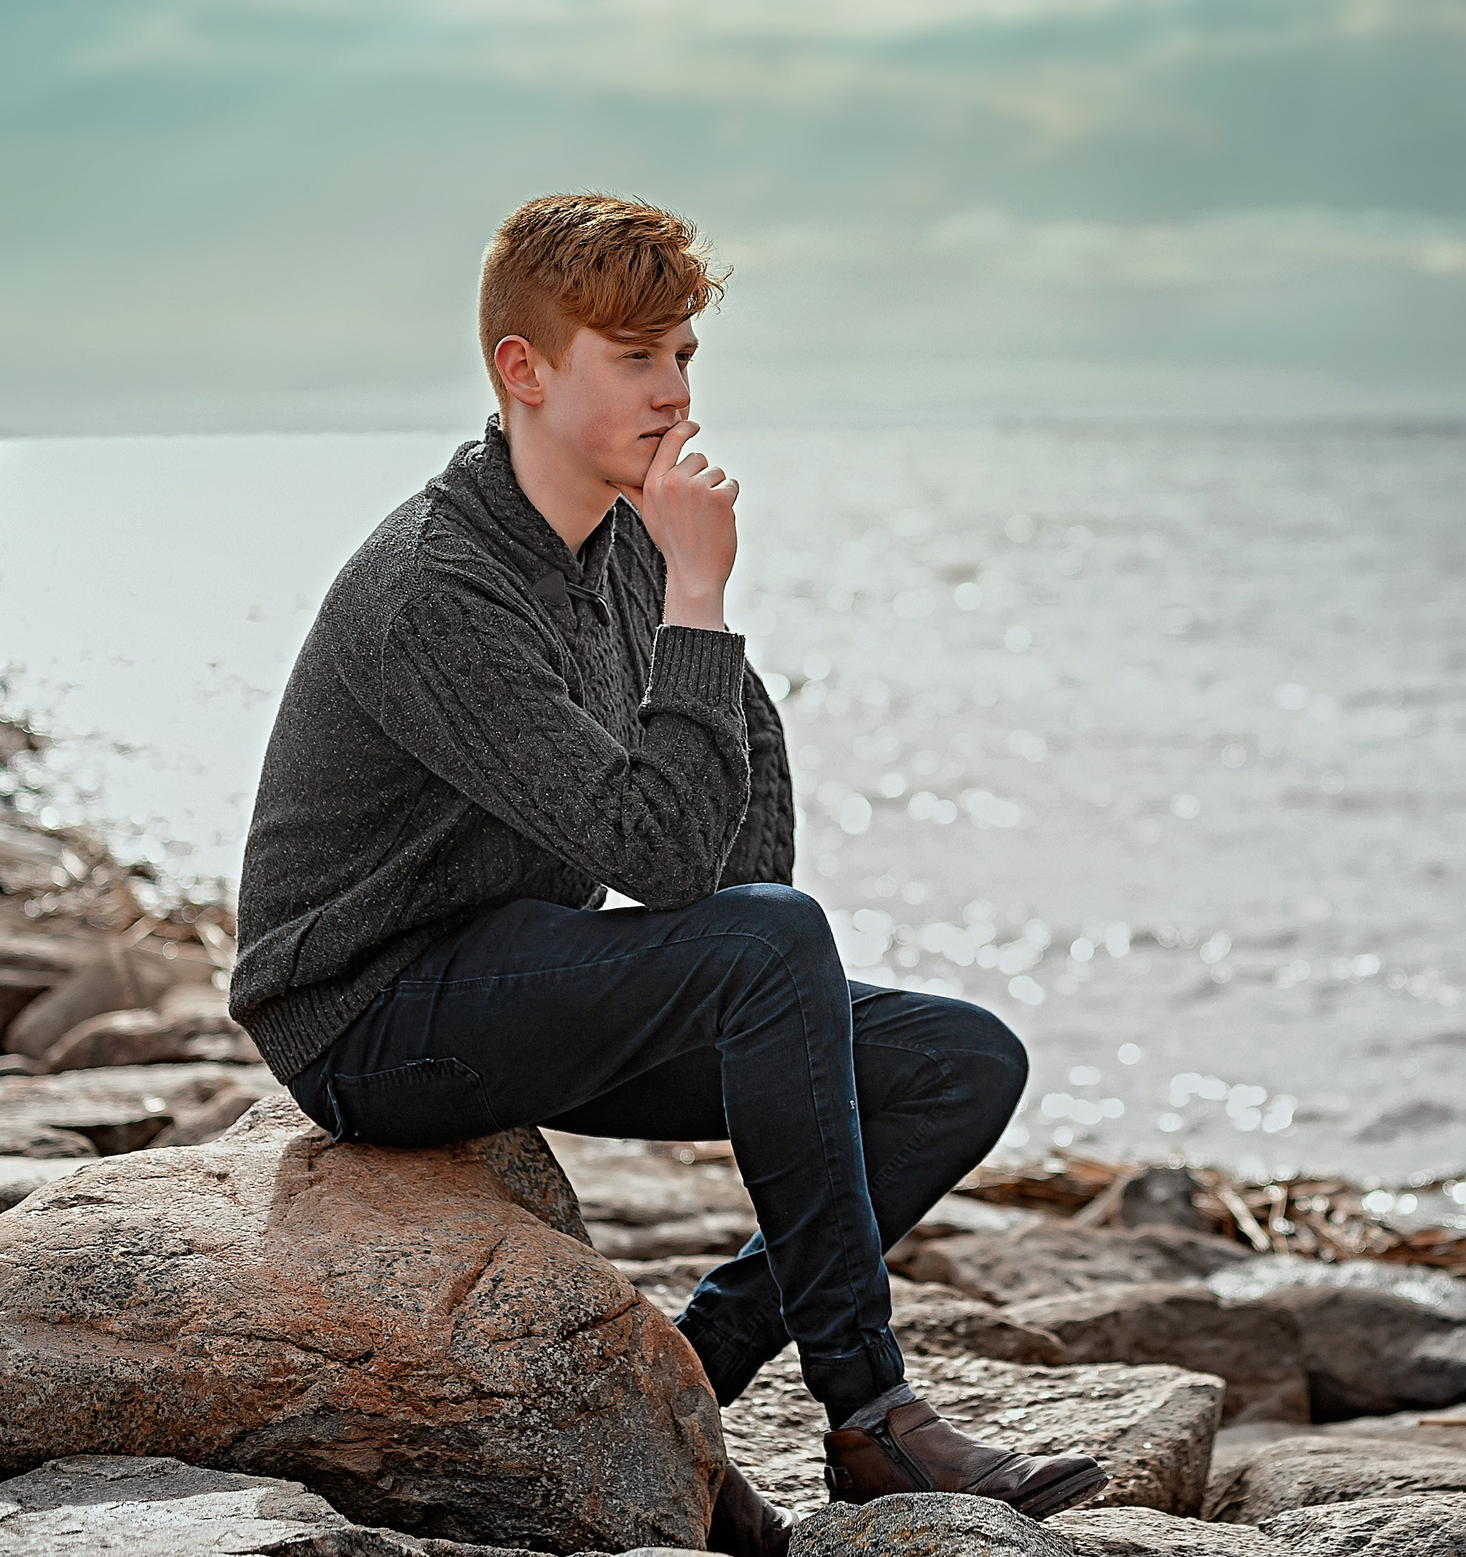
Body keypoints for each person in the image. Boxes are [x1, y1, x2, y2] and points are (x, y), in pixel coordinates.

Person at [227, 194, 1107, 1554]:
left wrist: (698, 607)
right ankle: (870, 1408)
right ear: (524, 371)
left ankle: (690, 1370)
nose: (674, 390)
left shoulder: (625, 544)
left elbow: (741, 874)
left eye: (683, 354)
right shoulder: (438, 589)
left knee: (960, 1062)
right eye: (634, 356)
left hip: (524, 976)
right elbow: (667, 861)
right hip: (371, 1013)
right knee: (769, 944)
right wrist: (700, 600)